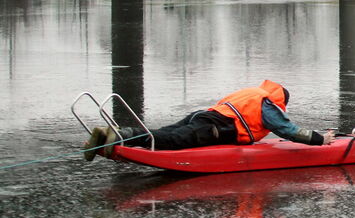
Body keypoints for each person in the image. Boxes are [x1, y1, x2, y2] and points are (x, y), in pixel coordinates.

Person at [84, 79, 330, 161]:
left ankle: (110, 137)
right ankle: (120, 137)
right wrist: (321, 139)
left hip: (204, 116)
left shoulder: (250, 93)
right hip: (215, 128)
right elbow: (287, 130)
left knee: (163, 136)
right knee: (171, 140)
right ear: (281, 100)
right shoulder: (268, 103)